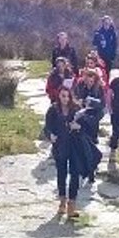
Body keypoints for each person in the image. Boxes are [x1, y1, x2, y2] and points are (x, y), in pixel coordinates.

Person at [44, 87, 98, 219]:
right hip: (60, 146)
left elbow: (87, 124)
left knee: (75, 173)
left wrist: (78, 127)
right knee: (61, 174)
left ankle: (72, 204)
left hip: (74, 146)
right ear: (59, 96)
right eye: (63, 96)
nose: (65, 99)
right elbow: (47, 127)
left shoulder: (75, 109)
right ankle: (62, 201)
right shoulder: (53, 110)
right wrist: (51, 135)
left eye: (67, 96)